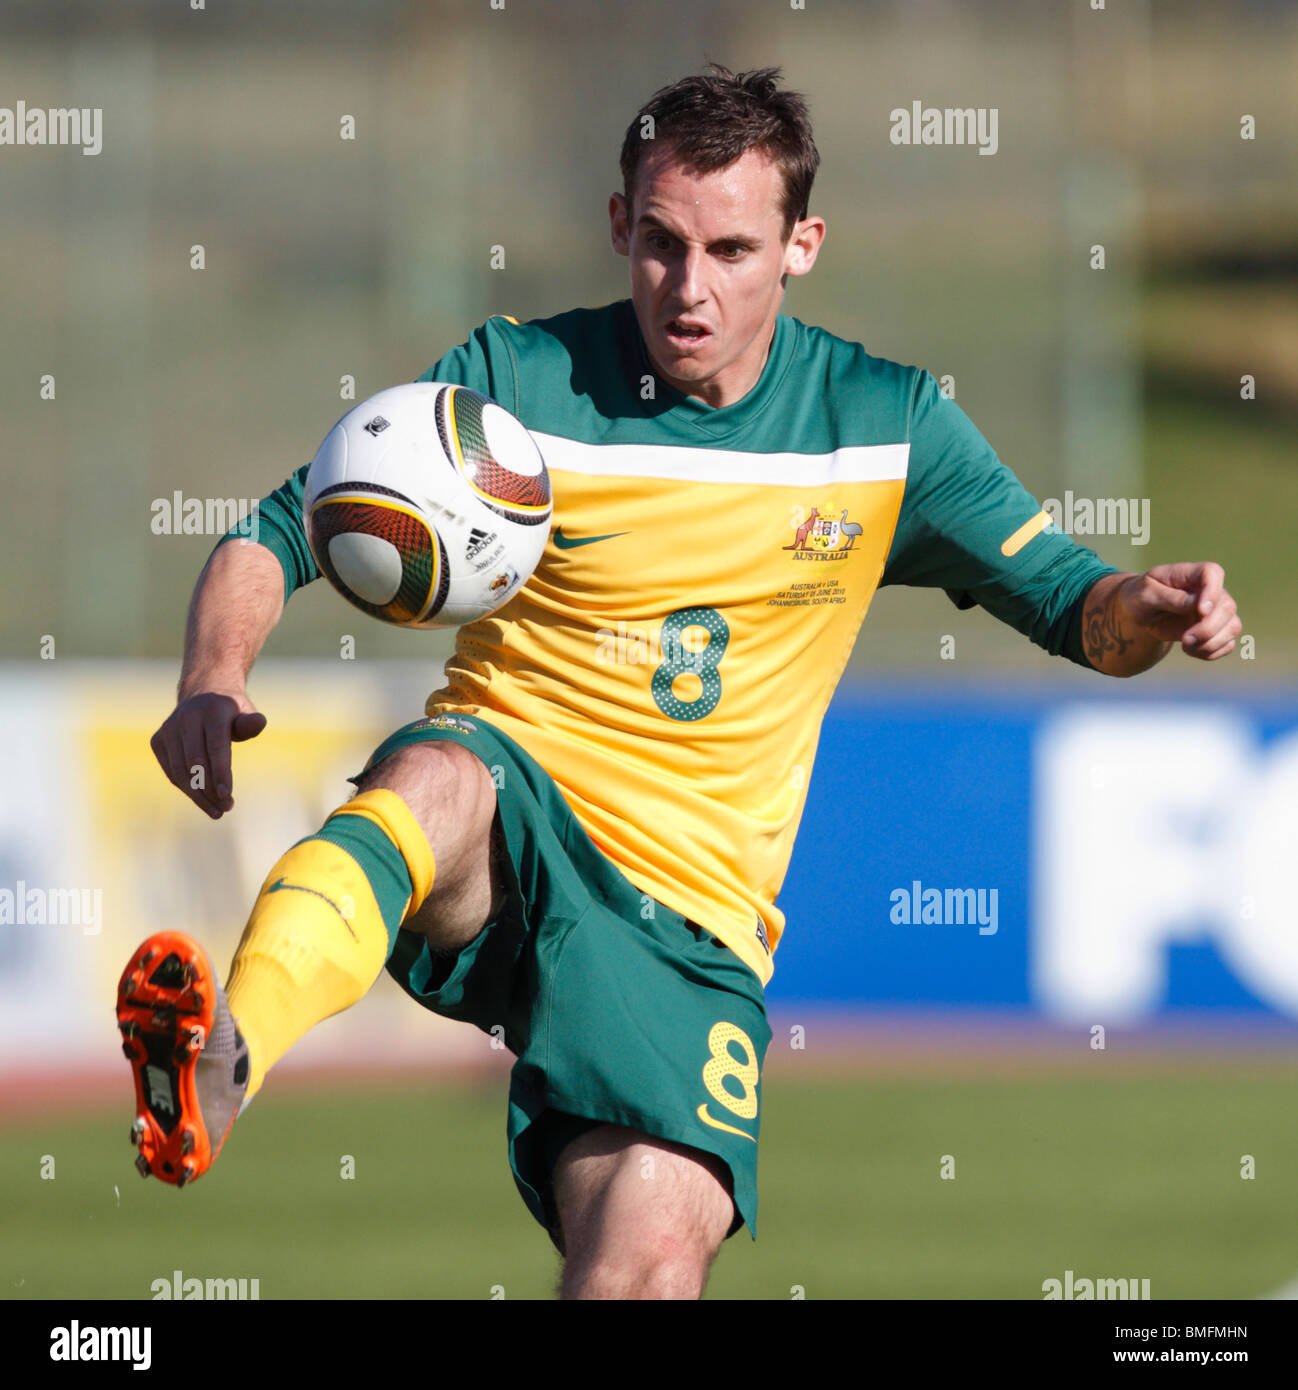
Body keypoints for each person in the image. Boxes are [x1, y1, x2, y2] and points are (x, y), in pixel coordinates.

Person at [117, 63, 1241, 1301]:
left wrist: (1146, 605)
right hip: (515, 810)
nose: (687, 287)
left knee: (643, 1271)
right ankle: (224, 1060)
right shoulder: (515, 381)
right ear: (617, 227)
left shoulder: (885, 428)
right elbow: (277, 531)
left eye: (729, 248)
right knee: (434, 777)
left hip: (689, 922)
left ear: (801, 244)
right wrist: (211, 677)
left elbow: (1079, 614)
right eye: (657, 244)